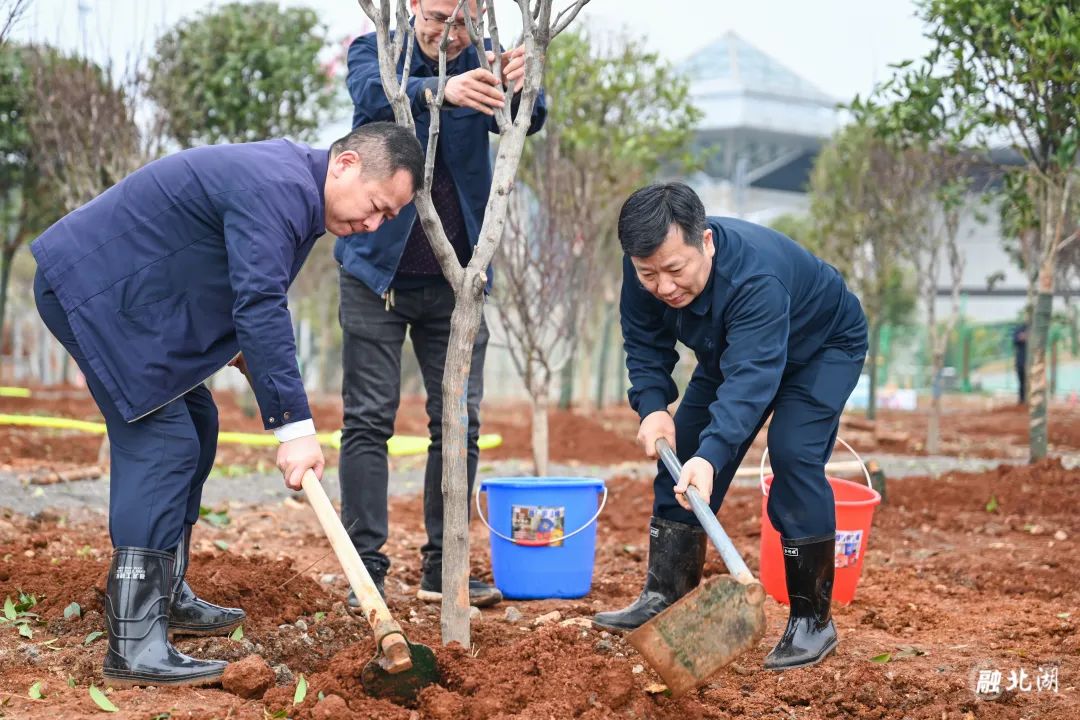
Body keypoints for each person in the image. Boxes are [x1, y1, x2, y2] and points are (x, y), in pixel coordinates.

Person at [31, 123, 424, 687]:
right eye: (376, 207)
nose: (372, 225)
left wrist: (241, 350)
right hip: (96, 291)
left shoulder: (298, 190)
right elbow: (260, 301)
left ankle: (163, 594)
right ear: (347, 165)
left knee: (197, 419)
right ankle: (134, 643)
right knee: (164, 441)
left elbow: (229, 273)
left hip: (135, 302)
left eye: (387, 219)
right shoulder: (279, 186)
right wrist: (294, 429)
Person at [592, 183, 868, 672]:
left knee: (793, 454)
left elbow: (752, 380)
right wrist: (653, 407)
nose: (664, 286)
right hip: (733, 350)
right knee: (684, 447)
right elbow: (643, 341)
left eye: (675, 271)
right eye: (648, 274)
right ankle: (665, 595)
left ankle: (812, 621)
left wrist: (712, 457)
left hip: (821, 348)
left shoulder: (756, 278)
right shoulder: (645, 266)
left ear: (707, 243)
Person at [337, 0, 546, 609]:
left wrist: (519, 83)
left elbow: (527, 121)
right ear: (409, 7)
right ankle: (367, 568)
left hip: (458, 284)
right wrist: (442, 89)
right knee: (369, 420)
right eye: (436, 17)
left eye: (463, 21)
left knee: (458, 423)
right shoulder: (374, 51)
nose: (449, 32)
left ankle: (442, 565)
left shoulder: (480, 59)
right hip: (378, 275)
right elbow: (374, 98)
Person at [1013, 322, 1028, 404]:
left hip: (1032, 362)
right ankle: (1022, 400)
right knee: (1021, 382)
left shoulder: (1035, 328)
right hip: (1021, 361)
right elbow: (1015, 340)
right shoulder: (1019, 328)